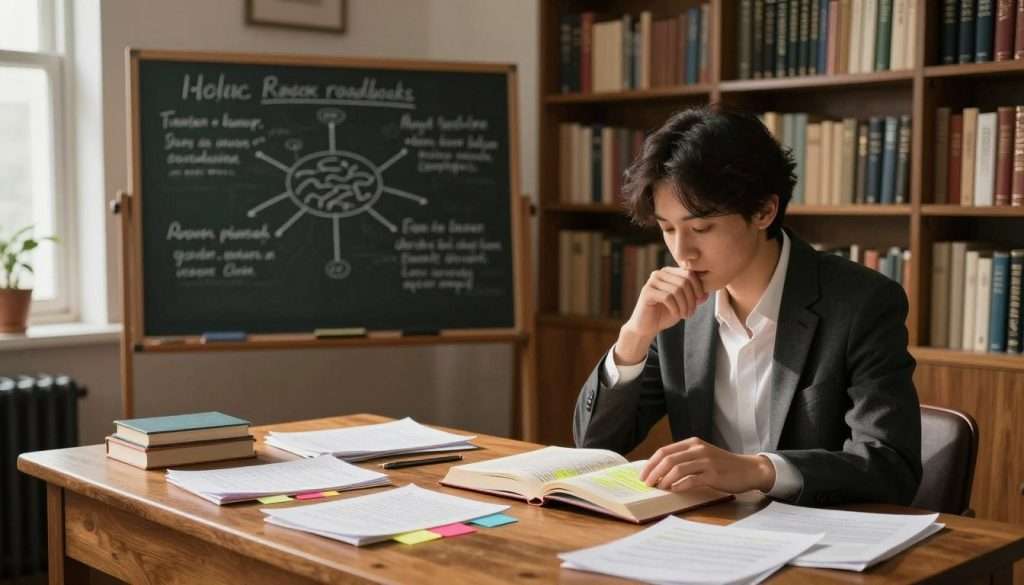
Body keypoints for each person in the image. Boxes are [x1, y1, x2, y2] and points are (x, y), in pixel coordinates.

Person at [572, 106, 921, 506]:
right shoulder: (674, 309)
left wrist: (757, 470)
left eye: (701, 228)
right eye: (668, 229)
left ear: (763, 211)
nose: (682, 251)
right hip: (707, 535)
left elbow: (892, 467)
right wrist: (633, 338)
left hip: (815, 542)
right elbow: (593, 445)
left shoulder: (862, 303)